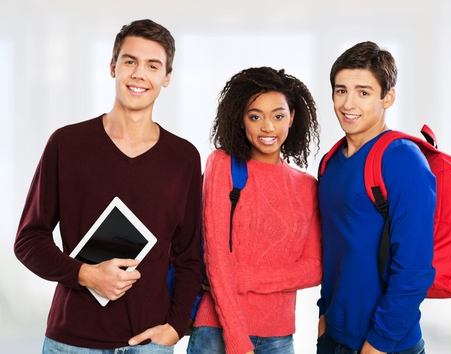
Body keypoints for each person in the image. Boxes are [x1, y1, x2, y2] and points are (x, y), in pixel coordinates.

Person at [14, 19, 203, 353]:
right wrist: (85, 274)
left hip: (149, 344)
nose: (139, 74)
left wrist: (174, 328)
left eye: (153, 65)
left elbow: (189, 257)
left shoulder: (183, 158)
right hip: (71, 342)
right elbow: (29, 240)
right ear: (113, 67)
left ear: (167, 78)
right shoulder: (67, 144)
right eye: (130, 61)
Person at [186, 67, 323, 354]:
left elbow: (314, 268)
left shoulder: (307, 186)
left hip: (279, 336)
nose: (268, 127)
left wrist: (245, 278)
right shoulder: (222, 164)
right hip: (217, 331)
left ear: (292, 118)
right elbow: (217, 256)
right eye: (255, 116)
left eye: (278, 116)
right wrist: (237, 341)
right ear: (242, 120)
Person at [316, 41, 436, 354]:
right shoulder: (329, 162)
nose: (348, 103)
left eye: (363, 92)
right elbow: (334, 249)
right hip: (334, 339)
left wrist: (377, 345)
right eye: (341, 90)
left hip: (386, 346)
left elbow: (415, 268)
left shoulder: (403, 160)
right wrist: (323, 316)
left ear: (388, 97)